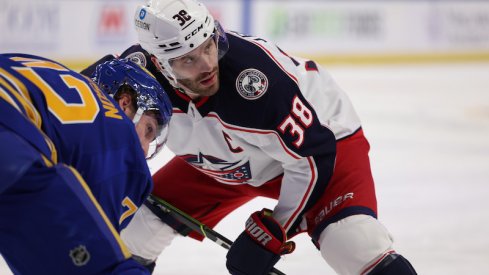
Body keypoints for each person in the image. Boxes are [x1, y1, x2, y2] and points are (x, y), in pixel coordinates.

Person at [85, 0, 417, 274]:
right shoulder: (136, 77)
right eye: (188, 59)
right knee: (131, 236)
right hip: (224, 160)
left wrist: (273, 230)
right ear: (160, 63)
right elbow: (68, 102)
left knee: (353, 244)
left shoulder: (254, 84)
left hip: (320, 146)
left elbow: (313, 157)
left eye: (208, 46)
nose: (207, 65)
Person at [0, 54, 172, 274]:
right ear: (125, 102)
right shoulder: (119, 135)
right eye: (148, 129)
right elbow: (91, 244)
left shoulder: (55, 73)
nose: (146, 148)